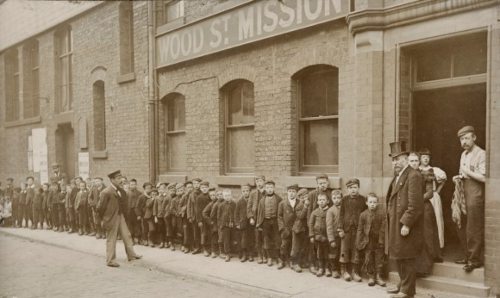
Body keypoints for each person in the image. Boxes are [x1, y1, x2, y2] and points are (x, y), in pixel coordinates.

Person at [386, 141, 424, 298]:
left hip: (406, 224)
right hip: (397, 222)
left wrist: (407, 224)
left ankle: (406, 292)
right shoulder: (398, 176)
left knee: (407, 257)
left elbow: (415, 205)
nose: (395, 162)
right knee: (400, 255)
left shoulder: (413, 176)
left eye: (398, 159)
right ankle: (403, 285)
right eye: (393, 159)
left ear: (406, 159)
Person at [452, 126, 486, 272]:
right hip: (462, 190)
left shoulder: (481, 154)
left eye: (466, 138)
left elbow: (484, 178)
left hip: (475, 191)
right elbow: (463, 173)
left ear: (474, 138)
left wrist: (466, 172)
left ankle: (474, 259)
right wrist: (458, 177)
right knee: (459, 220)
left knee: (473, 225)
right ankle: (467, 255)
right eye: (461, 139)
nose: (463, 142)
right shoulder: (463, 154)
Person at [96, 170, 142, 267]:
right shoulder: (106, 192)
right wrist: (103, 219)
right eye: (118, 178)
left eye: (121, 178)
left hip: (120, 216)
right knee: (111, 239)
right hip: (111, 218)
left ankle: (131, 255)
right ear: (112, 180)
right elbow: (100, 208)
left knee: (127, 235)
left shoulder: (121, 191)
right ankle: (110, 260)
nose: (120, 180)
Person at [338, 178, 367, 282]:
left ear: (358, 188)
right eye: (350, 188)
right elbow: (341, 215)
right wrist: (340, 228)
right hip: (346, 230)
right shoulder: (344, 200)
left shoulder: (363, 200)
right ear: (347, 189)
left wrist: (363, 230)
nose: (353, 190)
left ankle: (355, 271)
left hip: (358, 230)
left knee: (356, 249)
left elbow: (365, 215)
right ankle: (344, 271)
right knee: (344, 249)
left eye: (355, 187)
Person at [355, 193, 386, 287]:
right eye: (370, 202)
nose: (373, 204)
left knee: (379, 258)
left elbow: (383, 228)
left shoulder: (381, 214)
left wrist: (381, 240)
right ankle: (371, 276)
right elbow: (360, 229)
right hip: (367, 241)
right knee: (369, 258)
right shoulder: (363, 215)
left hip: (378, 241)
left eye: (375, 202)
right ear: (366, 203)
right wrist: (359, 241)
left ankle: (378, 276)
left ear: (377, 203)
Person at [419, 149, 446, 255]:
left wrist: (437, 192)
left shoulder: (434, 170)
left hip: (433, 197)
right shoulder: (417, 169)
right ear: (420, 159)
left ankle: (438, 247)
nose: (426, 159)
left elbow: (443, 181)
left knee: (437, 221)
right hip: (421, 197)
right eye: (423, 157)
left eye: (428, 157)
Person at [307, 174, 332, 274]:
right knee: (313, 248)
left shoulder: (330, 194)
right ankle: (313, 265)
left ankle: (326, 267)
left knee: (326, 249)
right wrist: (310, 228)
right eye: (320, 183)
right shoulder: (312, 194)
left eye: (324, 183)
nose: (322, 185)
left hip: (326, 227)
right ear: (317, 184)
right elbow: (309, 212)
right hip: (314, 225)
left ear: (328, 183)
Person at [256, 180, 282, 267]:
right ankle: (269, 257)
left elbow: (281, 213)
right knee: (266, 239)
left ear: (274, 188)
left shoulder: (279, 199)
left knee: (277, 239)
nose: (269, 189)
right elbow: (260, 213)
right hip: (266, 222)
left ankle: (278, 257)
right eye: (267, 187)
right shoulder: (262, 200)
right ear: (265, 188)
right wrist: (259, 224)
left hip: (275, 222)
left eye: (271, 187)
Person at [277, 184, 299, 270]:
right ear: (287, 192)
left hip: (296, 229)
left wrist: (297, 227)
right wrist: (282, 228)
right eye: (290, 191)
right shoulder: (282, 203)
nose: (291, 193)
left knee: (295, 245)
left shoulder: (299, 203)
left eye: (293, 192)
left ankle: (293, 262)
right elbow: (279, 217)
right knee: (284, 245)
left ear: (296, 193)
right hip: (286, 228)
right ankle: (282, 260)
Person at [308, 193, 329, 277]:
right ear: (317, 202)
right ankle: (321, 268)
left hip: (327, 237)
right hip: (318, 237)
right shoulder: (315, 212)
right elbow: (311, 224)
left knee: (327, 253)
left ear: (327, 201)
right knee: (319, 253)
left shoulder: (329, 211)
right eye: (320, 200)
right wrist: (312, 235)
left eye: (323, 200)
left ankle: (327, 268)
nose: (321, 202)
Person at [290, 188, 309, 272]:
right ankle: (294, 263)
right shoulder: (299, 206)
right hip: (298, 229)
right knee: (296, 247)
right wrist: (305, 206)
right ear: (300, 198)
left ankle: (301, 262)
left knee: (303, 246)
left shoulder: (309, 204)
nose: (304, 198)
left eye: (306, 196)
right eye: (302, 197)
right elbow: (301, 216)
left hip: (305, 229)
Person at [248, 175, 266, 264]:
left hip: (265, 219)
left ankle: (265, 255)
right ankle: (260, 255)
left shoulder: (267, 193)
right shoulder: (253, 193)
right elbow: (249, 206)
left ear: (264, 182)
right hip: (256, 219)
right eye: (257, 181)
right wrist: (251, 217)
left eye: (261, 181)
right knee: (258, 238)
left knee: (265, 238)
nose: (259, 183)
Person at [326, 189, 342, 278]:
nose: (336, 200)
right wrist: (331, 239)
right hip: (334, 236)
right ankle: (333, 269)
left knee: (340, 253)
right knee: (333, 254)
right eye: (334, 198)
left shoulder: (343, 209)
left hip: (341, 235)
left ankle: (339, 269)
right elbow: (329, 226)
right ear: (331, 199)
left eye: (338, 198)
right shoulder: (330, 211)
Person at [217, 188, 235, 262]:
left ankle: (232, 252)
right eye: (225, 196)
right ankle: (227, 253)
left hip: (233, 224)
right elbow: (219, 216)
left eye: (228, 195)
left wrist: (233, 222)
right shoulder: (221, 205)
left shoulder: (234, 204)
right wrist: (221, 225)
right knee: (226, 239)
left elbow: (235, 213)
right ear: (223, 197)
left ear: (231, 195)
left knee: (232, 238)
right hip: (225, 225)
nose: (227, 197)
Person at [234, 184, 250, 262]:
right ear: (241, 192)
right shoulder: (239, 201)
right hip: (242, 224)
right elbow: (236, 213)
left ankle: (250, 254)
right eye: (244, 191)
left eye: (247, 191)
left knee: (251, 239)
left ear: (250, 191)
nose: (245, 192)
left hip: (250, 224)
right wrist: (237, 223)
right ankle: (244, 254)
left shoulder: (251, 200)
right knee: (243, 240)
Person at [202, 187, 218, 257]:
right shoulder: (211, 204)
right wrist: (210, 222)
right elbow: (204, 213)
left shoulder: (220, 201)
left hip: (221, 222)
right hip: (214, 223)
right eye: (211, 195)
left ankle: (221, 251)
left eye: (214, 195)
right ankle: (213, 251)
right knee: (213, 237)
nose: (213, 197)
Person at [153, 182, 168, 248]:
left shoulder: (167, 197)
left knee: (166, 228)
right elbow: (155, 207)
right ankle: (162, 242)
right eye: (160, 189)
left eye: (162, 189)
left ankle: (167, 242)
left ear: (165, 189)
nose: (161, 190)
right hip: (159, 216)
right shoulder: (157, 198)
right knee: (161, 229)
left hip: (166, 216)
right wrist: (155, 216)